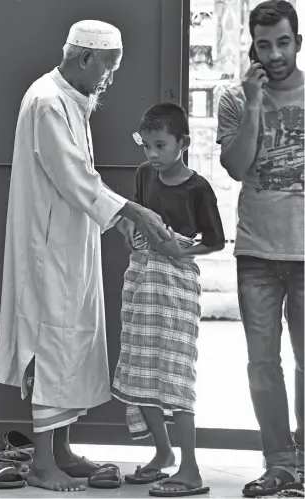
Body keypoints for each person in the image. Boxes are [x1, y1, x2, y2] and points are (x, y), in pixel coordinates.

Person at [0, 20, 170, 493]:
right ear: (85, 58)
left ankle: (63, 451)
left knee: (73, 342)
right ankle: (42, 463)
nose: (109, 80)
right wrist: (133, 209)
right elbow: (74, 178)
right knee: (52, 344)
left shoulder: (73, 99)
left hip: (71, 244)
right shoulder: (48, 102)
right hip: (48, 250)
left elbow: (82, 182)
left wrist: (119, 220)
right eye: (107, 70)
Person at [112, 103, 225, 497]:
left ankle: (191, 469)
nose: (152, 155)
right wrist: (128, 225)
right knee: (141, 367)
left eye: (160, 145)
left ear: (184, 144)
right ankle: (163, 455)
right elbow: (134, 213)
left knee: (176, 375)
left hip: (177, 285)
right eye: (146, 146)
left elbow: (214, 242)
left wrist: (181, 253)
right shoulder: (144, 175)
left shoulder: (198, 188)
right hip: (141, 279)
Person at [216, 1, 304, 496]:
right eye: (265, 44)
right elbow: (237, 166)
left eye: (283, 42)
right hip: (256, 253)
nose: (274, 54)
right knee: (262, 363)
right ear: (253, 45)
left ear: (297, 40)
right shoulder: (234, 97)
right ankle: (280, 463)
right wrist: (253, 102)